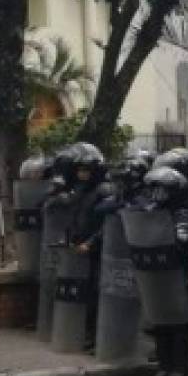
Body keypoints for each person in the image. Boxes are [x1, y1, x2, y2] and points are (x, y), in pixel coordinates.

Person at [139, 166, 188, 376]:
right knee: (159, 323)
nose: (157, 195)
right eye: (154, 190)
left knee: (179, 326)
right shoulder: (151, 211)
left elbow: (182, 241)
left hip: (178, 273)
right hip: (156, 273)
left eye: (162, 190)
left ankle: (179, 372)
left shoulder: (183, 214)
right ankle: (163, 369)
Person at [63, 143, 114, 352]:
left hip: (98, 250)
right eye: (80, 169)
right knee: (85, 294)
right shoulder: (81, 190)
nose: (81, 173)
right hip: (80, 248)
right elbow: (76, 218)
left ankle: (97, 337)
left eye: (85, 170)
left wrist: (91, 243)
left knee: (97, 294)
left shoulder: (104, 191)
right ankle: (88, 335)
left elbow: (108, 225)